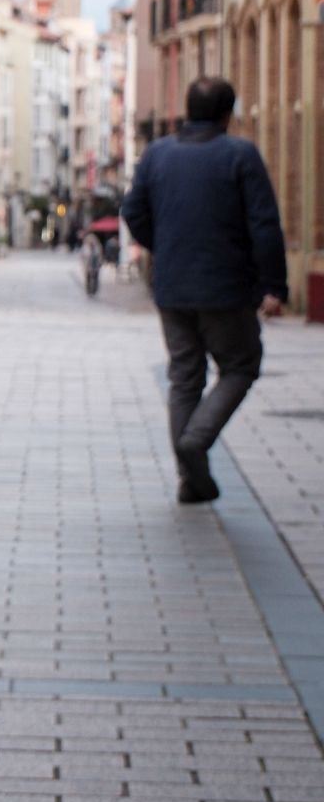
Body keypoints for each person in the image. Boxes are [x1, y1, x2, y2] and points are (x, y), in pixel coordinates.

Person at [122, 75, 287, 505]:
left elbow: (133, 211)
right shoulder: (240, 155)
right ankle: (195, 442)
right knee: (241, 366)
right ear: (227, 114)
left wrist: (166, 247)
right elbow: (264, 224)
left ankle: (191, 480)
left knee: (184, 376)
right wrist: (274, 285)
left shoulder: (157, 154)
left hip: (173, 286)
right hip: (228, 288)